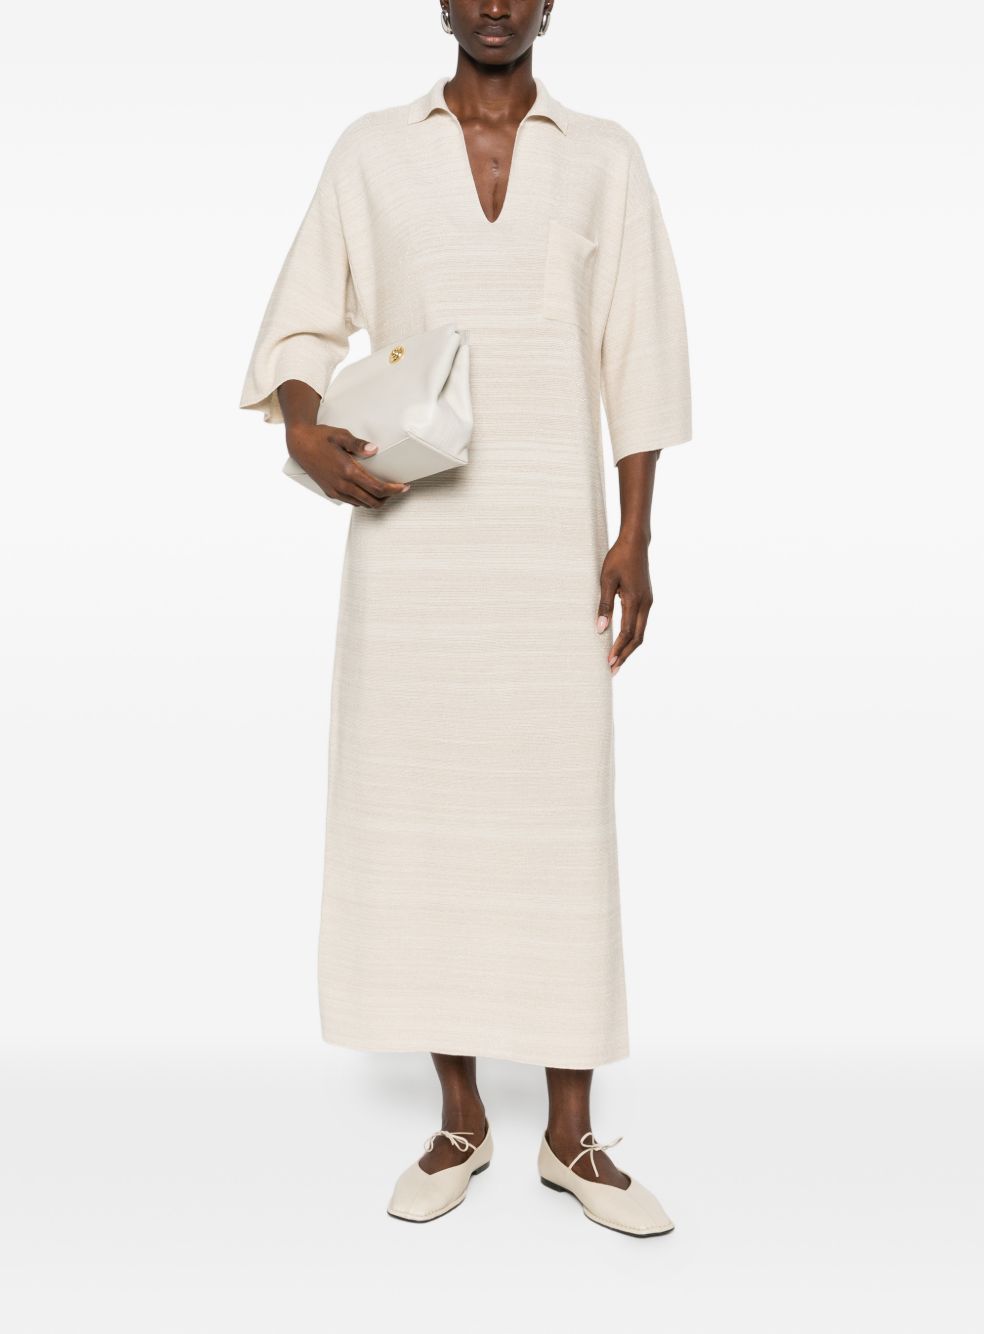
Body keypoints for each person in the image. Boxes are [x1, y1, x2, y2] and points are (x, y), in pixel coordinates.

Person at [239, 0, 691, 1236]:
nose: (494, 4)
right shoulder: (371, 150)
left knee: (560, 825)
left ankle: (570, 1132)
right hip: (413, 548)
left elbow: (640, 349)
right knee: (426, 820)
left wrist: (635, 532)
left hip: (549, 547)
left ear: (550, 6)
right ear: (440, 2)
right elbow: (301, 317)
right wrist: (301, 427)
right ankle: (459, 1118)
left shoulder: (604, 158)